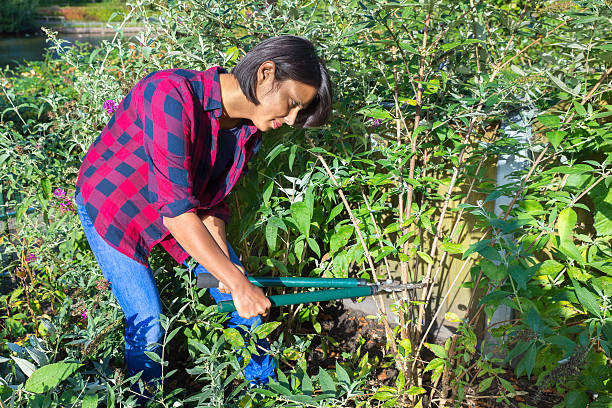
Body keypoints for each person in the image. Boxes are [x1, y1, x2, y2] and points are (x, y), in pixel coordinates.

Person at [73, 35, 332, 398]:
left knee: (246, 307)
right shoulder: (170, 95)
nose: (290, 120)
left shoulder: (247, 131)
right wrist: (236, 281)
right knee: (148, 324)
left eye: (298, 113)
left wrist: (229, 269)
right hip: (113, 206)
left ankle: (267, 394)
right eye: (291, 104)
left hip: (175, 209)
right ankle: (149, 400)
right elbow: (178, 215)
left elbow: (210, 205)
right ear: (265, 73)